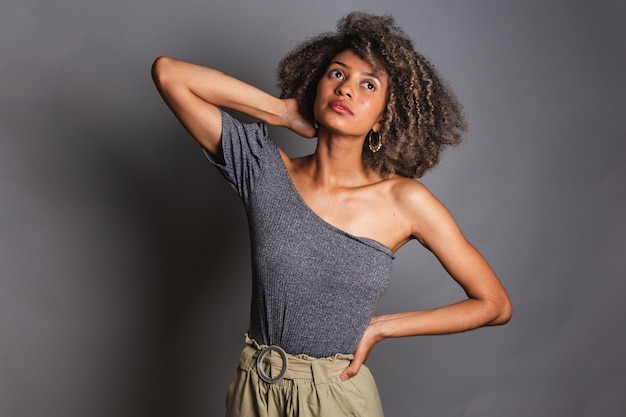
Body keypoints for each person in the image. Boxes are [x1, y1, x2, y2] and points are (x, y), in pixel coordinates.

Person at [152, 11, 512, 417]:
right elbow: (169, 74)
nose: (346, 90)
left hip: (335, 395)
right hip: (256, 389)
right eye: (337, 74)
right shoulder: (264, 170)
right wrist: (281, 112)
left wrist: (382, 327)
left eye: (368, 85)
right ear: (317, 86)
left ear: (382, 118)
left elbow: (494, 304)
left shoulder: (403, 201)